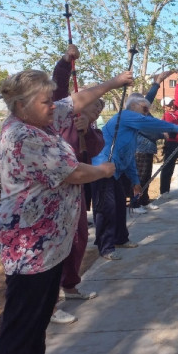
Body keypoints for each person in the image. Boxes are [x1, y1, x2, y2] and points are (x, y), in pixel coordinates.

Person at [0, 67, 131, 354]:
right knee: (21, 328)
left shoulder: (43, 120)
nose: (53, 105)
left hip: (51, 242)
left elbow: (76, 100)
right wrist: (103, 171)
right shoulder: (24, 136)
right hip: (29, 246)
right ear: (22, 106)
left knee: (41, 316)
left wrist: (113, 83)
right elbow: (73, 173)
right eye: (45, 101)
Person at [91, 93, 178, 260]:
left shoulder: (132, 130)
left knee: (121, 206)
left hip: (115, 170)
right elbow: (150, 123)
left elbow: (129, 157)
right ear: (133, 107)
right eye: (144, 108)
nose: (147, 112)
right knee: (106, 209)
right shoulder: (125, 115)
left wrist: (136, 181)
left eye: (148, 109)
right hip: (102, 168)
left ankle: (120, 239)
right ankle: (105, 246)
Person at [49, 45, 105, 326]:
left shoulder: (92, 129)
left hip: (75, 193)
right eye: (93, 104)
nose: (94, 110)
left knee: (79, 238)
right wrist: (66, 62)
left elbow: (92, 150)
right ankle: (49, 303)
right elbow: (58, 90)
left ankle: (70, 286)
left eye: (98, 109)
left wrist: (85, 131)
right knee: (53, 247)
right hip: (52, 193)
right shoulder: (58, 115)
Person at [130, 70, 174, 214]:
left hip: (148, 150)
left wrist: (158, 82)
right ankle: (135, 204)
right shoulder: (135, 116)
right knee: (140, 177)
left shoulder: (144, 112)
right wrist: (162, 134)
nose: (145, 104)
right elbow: (148, 130)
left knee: (147, 177)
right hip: (139, 150)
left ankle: (144, 201)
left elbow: (150, 99)